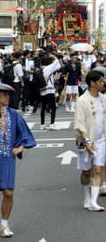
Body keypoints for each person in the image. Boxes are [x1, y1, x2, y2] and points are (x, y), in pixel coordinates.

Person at [0, 83, 36, 237]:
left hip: (7, 159)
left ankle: (3, 225)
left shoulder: (13, 114)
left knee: (8, 192)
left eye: (9, 94)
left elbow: (25, 134)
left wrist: (20, 148)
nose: (8, 97)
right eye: (5, 94)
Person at [75, 70, 106, 212]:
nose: (103, 83)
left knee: (98, 169)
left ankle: (94, 201)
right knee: (86, 172)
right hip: (86, 141)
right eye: (100, 81)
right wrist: (87, 141)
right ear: (92, 83)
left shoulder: (103, 98)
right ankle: (87, 196)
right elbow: (79, 123)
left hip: (101, 140)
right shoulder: (82, 100)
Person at [39, 54, 61, 130]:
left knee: (43, 107)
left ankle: (42, 124)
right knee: (53, 107)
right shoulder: (49, 68)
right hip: (50, 90)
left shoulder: (41, 69)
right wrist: (54, 56)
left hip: (42, 90)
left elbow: (58, 66)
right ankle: (52, 124)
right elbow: (57, 62)